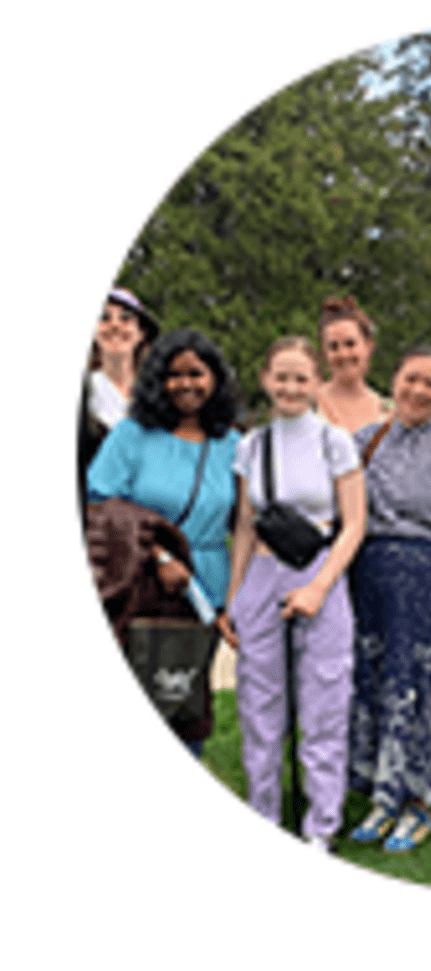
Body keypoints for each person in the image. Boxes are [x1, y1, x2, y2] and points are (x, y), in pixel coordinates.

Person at [216, 336, 366, 852]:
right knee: (260, 708)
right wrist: (235, 597)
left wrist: (319, 588)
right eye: (281, 376)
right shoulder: (250, 446)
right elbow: (243, 522)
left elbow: (354, 525)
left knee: (324, 704)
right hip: (261, 575)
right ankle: (264, 815)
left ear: (317, 381)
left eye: (301, 377)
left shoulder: (335, 442)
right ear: (265, 379)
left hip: (319, 573)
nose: (290, 387)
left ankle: (320, 826)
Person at [347, 346, 431, 852]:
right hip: (371, 580)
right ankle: (383, 796)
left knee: (423, 690)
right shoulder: (364, 441)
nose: (420, 391)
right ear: (394, 381)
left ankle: (421, 803)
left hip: (428, 579)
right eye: (411, 380)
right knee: (378, 685)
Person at [87, 328, 241, 757]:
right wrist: (158, 553)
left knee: (186, 702)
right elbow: (100, 504)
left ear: (215, 379)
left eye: (196, 373)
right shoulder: (131, 435)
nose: (185, 384)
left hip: (205, 587)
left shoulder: (232, 444)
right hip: (141, 582)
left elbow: (244, 521)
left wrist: (235, 596)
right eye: (173, 375)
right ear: (157, 380)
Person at [78, 287, 160, 517]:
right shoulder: (83, 393)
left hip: (152, 517)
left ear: (141, 332)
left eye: (126, 318)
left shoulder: (160, 394)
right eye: (103, 318)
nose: (115, 325)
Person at [315, 295, 389, 433]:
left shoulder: (388, 412)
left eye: (350, 344)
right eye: (333, 346)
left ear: (368, 346)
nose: (343, 354)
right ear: (324, 353)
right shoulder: (307, 406)